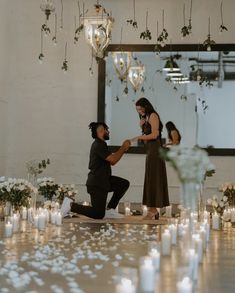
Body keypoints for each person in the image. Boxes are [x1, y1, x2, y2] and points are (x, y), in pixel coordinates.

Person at [61, 122, 130, 219]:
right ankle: (71, 206)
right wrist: (123, 147)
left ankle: (110, 210)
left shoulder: (101, 144)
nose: (108, 132)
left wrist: (123, 149)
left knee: (123, 184)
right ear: (102, 131)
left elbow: (112, 161)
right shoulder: (98, 145)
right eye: (107, 130)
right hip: (97, 184)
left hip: (104, 181)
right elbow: (113, 159)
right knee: (98, 214)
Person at [130, 97, 169, 220]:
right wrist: (142, 126)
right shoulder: (145, 118)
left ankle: (152, 210)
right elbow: (148, 135)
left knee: (154, 178)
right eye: (137, 110)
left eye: (140, 109)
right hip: (150, 150)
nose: (139, 112)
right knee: (151, 178)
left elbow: (155, 134)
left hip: (156, 150)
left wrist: (139, 137)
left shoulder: (153, 115)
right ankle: (153, 210)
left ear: (146, 107)